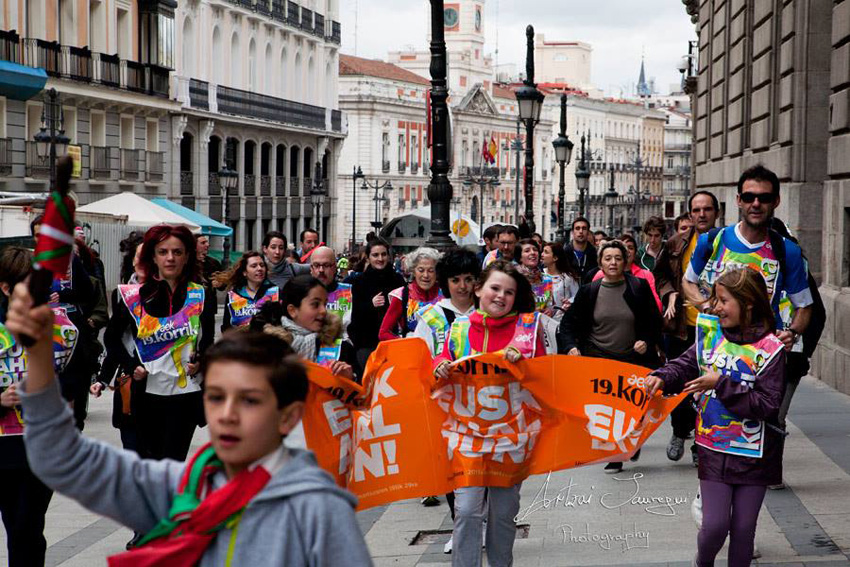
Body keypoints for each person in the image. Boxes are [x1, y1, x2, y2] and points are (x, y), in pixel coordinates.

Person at [6, 285, 374, 566]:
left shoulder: (319, 509)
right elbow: (69, 462)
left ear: (288, 415)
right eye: (216, 397)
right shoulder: (181, 487)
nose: (227, 414)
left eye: (249, 400)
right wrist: (39, 364)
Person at [681, 165, 814, 487]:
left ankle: (756, 482)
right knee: (716, 414)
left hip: (761, 353)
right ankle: (714, 489)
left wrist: (793, 332)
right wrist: (706, 305)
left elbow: (804, 306)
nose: (757, 203)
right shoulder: (714, 241)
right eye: (750, 197)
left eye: (764, 197)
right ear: (739, 200)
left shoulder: (787, 251)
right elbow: (688, 283)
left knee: (767, 417)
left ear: (775, 202)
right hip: (719, 346)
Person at [645, 268, 786, 567]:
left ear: (747, 303)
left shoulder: (771, 350)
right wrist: (660, 376)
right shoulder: (711, 336)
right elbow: (684, 365)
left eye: (723, 300)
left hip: (755, 456)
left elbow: (768, 405)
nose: (716, 307)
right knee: (715, 527)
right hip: (713, 450)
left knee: (744, 530)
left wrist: (721, 384)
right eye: (715, 299)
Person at [433, 260, 545, 567]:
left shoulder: (527, 329)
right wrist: (439, 366)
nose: (501, 296)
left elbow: (545, 377)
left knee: (503, 515)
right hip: (466, 436)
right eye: (495, 288)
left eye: (509, 292)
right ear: (478, 288)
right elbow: (443, 358)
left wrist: (523, 363)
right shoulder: (458, 327)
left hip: (510, 439)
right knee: (467, 510)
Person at [104, 225, 216, 462]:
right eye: (163, 252)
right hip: (146, 394)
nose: (170, 258)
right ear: (153, 257)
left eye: (177, 252)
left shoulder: (201, 294)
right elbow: (111, 338)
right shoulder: (134, 297)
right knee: (150, 463)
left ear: (187, 256)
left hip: (186, 393)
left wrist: (201, 359)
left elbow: (207, 339)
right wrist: (131, 365)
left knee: (174, 463)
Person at [557, 240, 662, 473]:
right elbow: (568, 325)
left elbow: (654, 321)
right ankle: (615, 455)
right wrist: (571, 347)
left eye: (617, 258)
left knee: (634, 410)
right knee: (609, 410)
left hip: (631, 358)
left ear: (625, 262)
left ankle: (631, 441)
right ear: (600, 263)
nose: (613, 262)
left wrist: (646, 340)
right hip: (600, 358)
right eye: (608, 258)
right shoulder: (588, 291)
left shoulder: (638, 287)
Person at [0, 247, 59, 567]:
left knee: (30, 524)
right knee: (16, 526)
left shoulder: (58, 330)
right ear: (7, 288)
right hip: (5, 445)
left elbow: (76, 378)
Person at [654, 191, 719, 465]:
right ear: (690, 214)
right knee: (680, 384)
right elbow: (661, 275)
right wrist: (670, 293)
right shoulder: (675, 243)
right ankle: (680, 431)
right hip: (682, 326)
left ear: (716, 212)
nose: (701, 214)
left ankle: (700, 445)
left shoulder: (725, 242)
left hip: (715, 329)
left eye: (707, 209)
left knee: (709, 388)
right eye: (696, 210)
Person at [349, 238, 405, 370]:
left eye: (384, 254)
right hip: (367, 342)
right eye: (375, 255)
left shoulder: (397, 279)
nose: (380, 258)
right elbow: (354, 314)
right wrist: (370, 304)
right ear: (368, 257)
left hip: (393, 341)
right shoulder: (359, 281)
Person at [379, 247, 442, 340]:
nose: (426, 275)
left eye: (431, 270)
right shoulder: (402, 295)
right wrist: (405, 343)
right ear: (413, 271)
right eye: (421, 270)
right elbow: (383, 333)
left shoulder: (445, 294)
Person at [592, 234, 662, 312]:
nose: (627, 251)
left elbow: (655, 304)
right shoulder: (601, 274)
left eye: (630, 248)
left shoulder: (645, 275)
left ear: (635, 252)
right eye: (624, 247)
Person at [214, 251, 279, 331]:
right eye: (254, 266)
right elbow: (227, 326)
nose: (259, 269)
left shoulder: (274, 292)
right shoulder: (234, 295)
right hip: (241, 342)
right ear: (244, 272)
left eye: (262, 265)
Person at [310, 246, 353, 335]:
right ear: (311, 269)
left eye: (326, 265)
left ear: (335, 268)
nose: (321, 270)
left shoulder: (350, 292)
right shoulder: (301, 294)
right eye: (317, 265)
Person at [541, 241, 580, 321]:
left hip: (562, 322)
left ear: (555, 258)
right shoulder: (540, 276)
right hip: (543, 321)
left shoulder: (568, 277)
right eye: (542, 251)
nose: (542, 254)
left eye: (546, 252)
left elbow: (577, 296)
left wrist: (569, 302)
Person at [517, 238, 554, 314]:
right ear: (520, 257)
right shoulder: (514, 279)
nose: (533, 253)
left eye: (535, 250)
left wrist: (550, 311)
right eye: (527, 251)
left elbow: (550, 305)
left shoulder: (547, 279)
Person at [564, 217, 598, 282]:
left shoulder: (595, 254)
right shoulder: (564, 254)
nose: (581, 231)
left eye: (584, 228)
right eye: (577, 228)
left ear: (588, 232)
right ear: (572, 232)